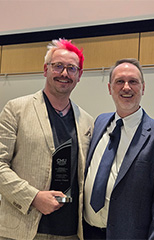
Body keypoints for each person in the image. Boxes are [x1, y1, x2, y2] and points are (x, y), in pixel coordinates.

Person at [0, 39, 93, 239]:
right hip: (23, 229)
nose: (64, 73)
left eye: (71, 68)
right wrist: (33, 197)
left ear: (79, 75)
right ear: (45, 69)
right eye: (58, 66)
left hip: (71, 233)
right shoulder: (16, 110)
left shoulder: (87, 122)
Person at [83, 58, 154, 239]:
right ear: (110, 88)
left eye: (133, 81)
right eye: (119, 81)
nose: (126, 87)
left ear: (143, 87)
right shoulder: (100, 122)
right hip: (87, 232)